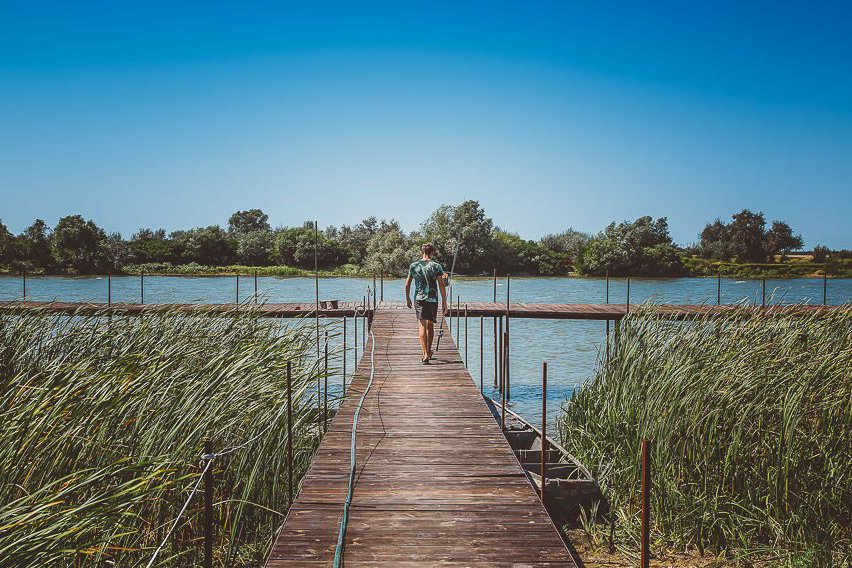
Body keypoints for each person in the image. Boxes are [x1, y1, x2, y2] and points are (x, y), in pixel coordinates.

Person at [405, 243, 448, 363]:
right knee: (430, 326)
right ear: (432, 253)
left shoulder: (414, 265)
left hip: (419, 298)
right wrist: (445, 302)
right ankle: (428, 351)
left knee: (422, 325)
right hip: (432, 299)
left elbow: (407, 284)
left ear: (421, 252)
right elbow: (441, 285)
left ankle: (425, 354)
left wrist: (408, 298)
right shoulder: (436, 266)